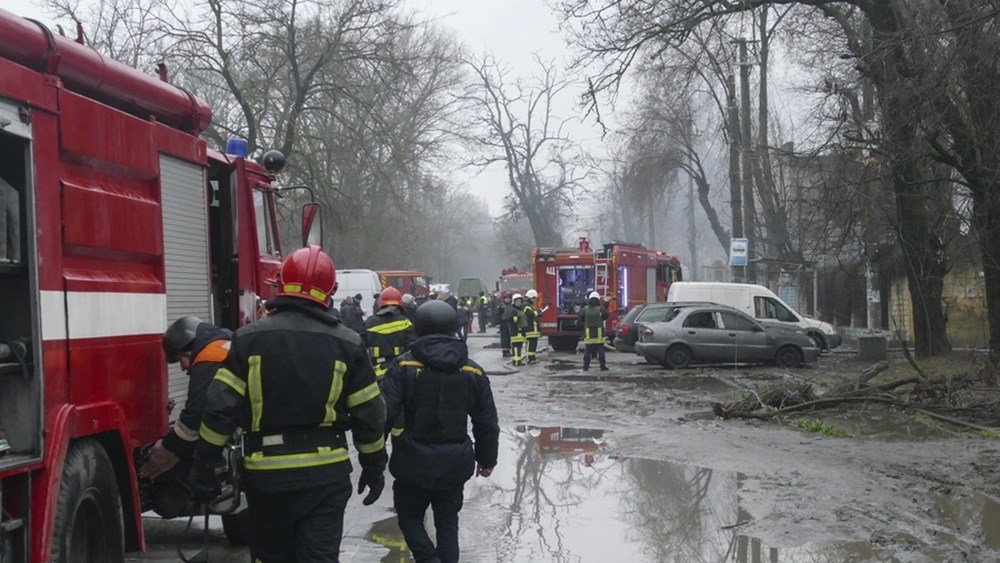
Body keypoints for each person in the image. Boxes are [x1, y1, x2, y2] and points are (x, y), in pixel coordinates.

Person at [189, 245, 387, 562]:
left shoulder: (247, 339)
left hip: (266, 480)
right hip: (325, 479)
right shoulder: (348, 343)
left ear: (280, 285)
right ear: (331, 291)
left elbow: (218, 410)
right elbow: (370, 415)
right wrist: (374, 466)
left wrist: (203, 468)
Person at [380, 300, 499, 563]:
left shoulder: (403, 367)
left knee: (409, 517)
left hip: (413, 463)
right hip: (455, 465)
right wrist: (487, 459)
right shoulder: (472, 370)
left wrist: (375, 458)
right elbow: (486, 420)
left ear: (418, 326)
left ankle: (427, 559)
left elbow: (383, 416)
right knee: (447, 524)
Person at [140, 317, 232, 481]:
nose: (182, 368)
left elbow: (195, 416)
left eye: (179, 359)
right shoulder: (224, 343)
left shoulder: (209, 357)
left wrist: (167, 447)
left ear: (188, 349)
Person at [364, 287, 416, 380]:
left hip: (375, 374)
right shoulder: (404, 322)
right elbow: (413, 346)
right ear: (400, 304)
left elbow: (360, 346)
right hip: (400, 371)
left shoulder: (369, 322)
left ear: (380, 304)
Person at [578, 291, 609, 371]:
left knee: (587, 351)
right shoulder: (601, 308)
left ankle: (585, 367)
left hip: (589, 334)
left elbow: (580, 319)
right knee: (601, 351)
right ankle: (602, 366)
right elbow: (606, 316)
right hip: (599, 335)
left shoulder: (585, 309)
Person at [508, 294, 527, 366]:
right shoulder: (512, 310)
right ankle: (516, 361)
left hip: (521, 331)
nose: (519, 303)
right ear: (514, 302)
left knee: (519, 346)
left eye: (520, 301)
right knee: (515, 346)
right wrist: (516, 318)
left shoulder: (520, 310)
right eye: (517, 301)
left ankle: (518, 360)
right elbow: (510, 319)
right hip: (515, 331)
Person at [523, 289, 541, 364]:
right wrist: (537, 313)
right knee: (530, 344)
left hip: (533, 328)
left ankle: (532, 358)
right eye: (533, 298)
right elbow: (529, 315)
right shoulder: (526, 305)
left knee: (533, 344)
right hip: (529, 328)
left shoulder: (530, 305)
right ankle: (529, 358)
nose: (534, 300)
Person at [498, 292, 513, 358]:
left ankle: (508, 351)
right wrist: (498, 323)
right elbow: (498, 315)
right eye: (506, 298)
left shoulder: (511, 306)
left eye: (509, 298)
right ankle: (504, 351)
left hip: (509, 323)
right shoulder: (501, 306)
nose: (507, 300)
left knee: (509, 337)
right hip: (503, 323)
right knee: (504, 337)